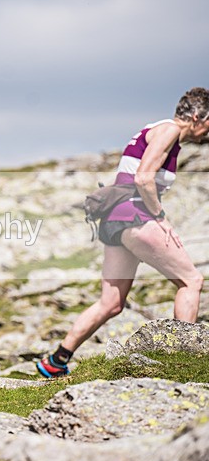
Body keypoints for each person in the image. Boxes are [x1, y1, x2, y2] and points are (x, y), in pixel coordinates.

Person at [37, 87, 209, 378]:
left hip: (114, 220)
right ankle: (184, 359)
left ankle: (56, 360)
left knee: (111, 303)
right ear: (196, 117)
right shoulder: (169, 130)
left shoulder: (153, 129)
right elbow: (143, 179)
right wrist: (161, 218)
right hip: (135, 216)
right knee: (191, 280)